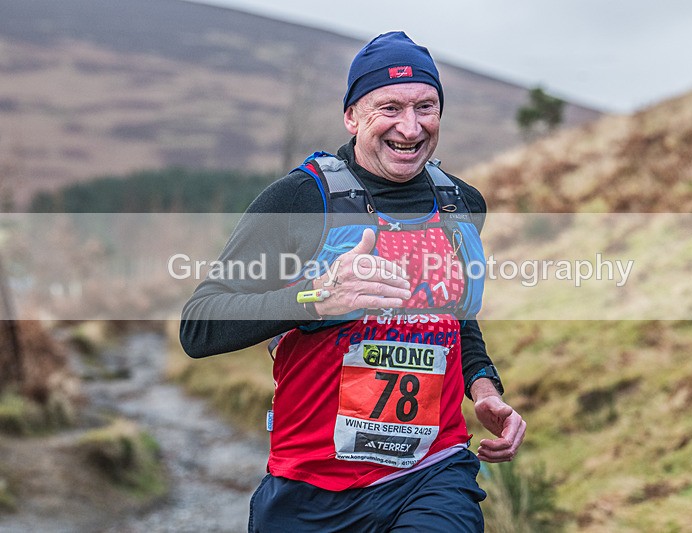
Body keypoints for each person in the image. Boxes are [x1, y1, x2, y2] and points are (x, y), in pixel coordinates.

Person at [180, 31, 526, 532]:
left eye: (425, 107)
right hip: (311, 488)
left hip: (431, 473)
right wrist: (314, 298)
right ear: (352, 116)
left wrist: (485, 388)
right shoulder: (301, 200)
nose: (411, 127)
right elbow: (199, 326)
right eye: (389, 107)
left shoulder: (461, 205)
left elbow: (455, 322)